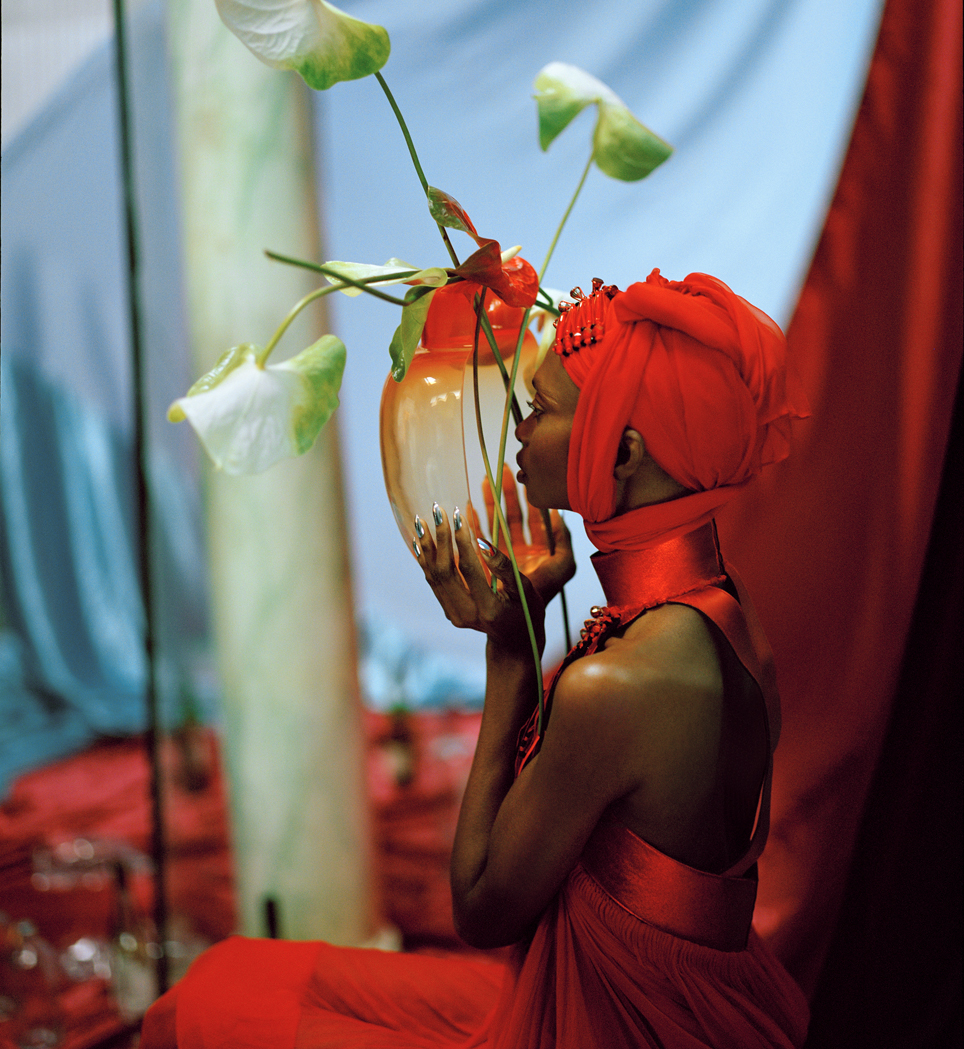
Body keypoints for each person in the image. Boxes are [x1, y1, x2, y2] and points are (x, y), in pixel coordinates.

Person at [141, 269, 811, 1048]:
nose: (518, 427)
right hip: (655, 996)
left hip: (611, 1025)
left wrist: (511, 656)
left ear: (623, 453)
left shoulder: (620, 684)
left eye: (542, 408)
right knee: (236, 972)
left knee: (201, 1015)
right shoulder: (722, 607)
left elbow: (483, 909)